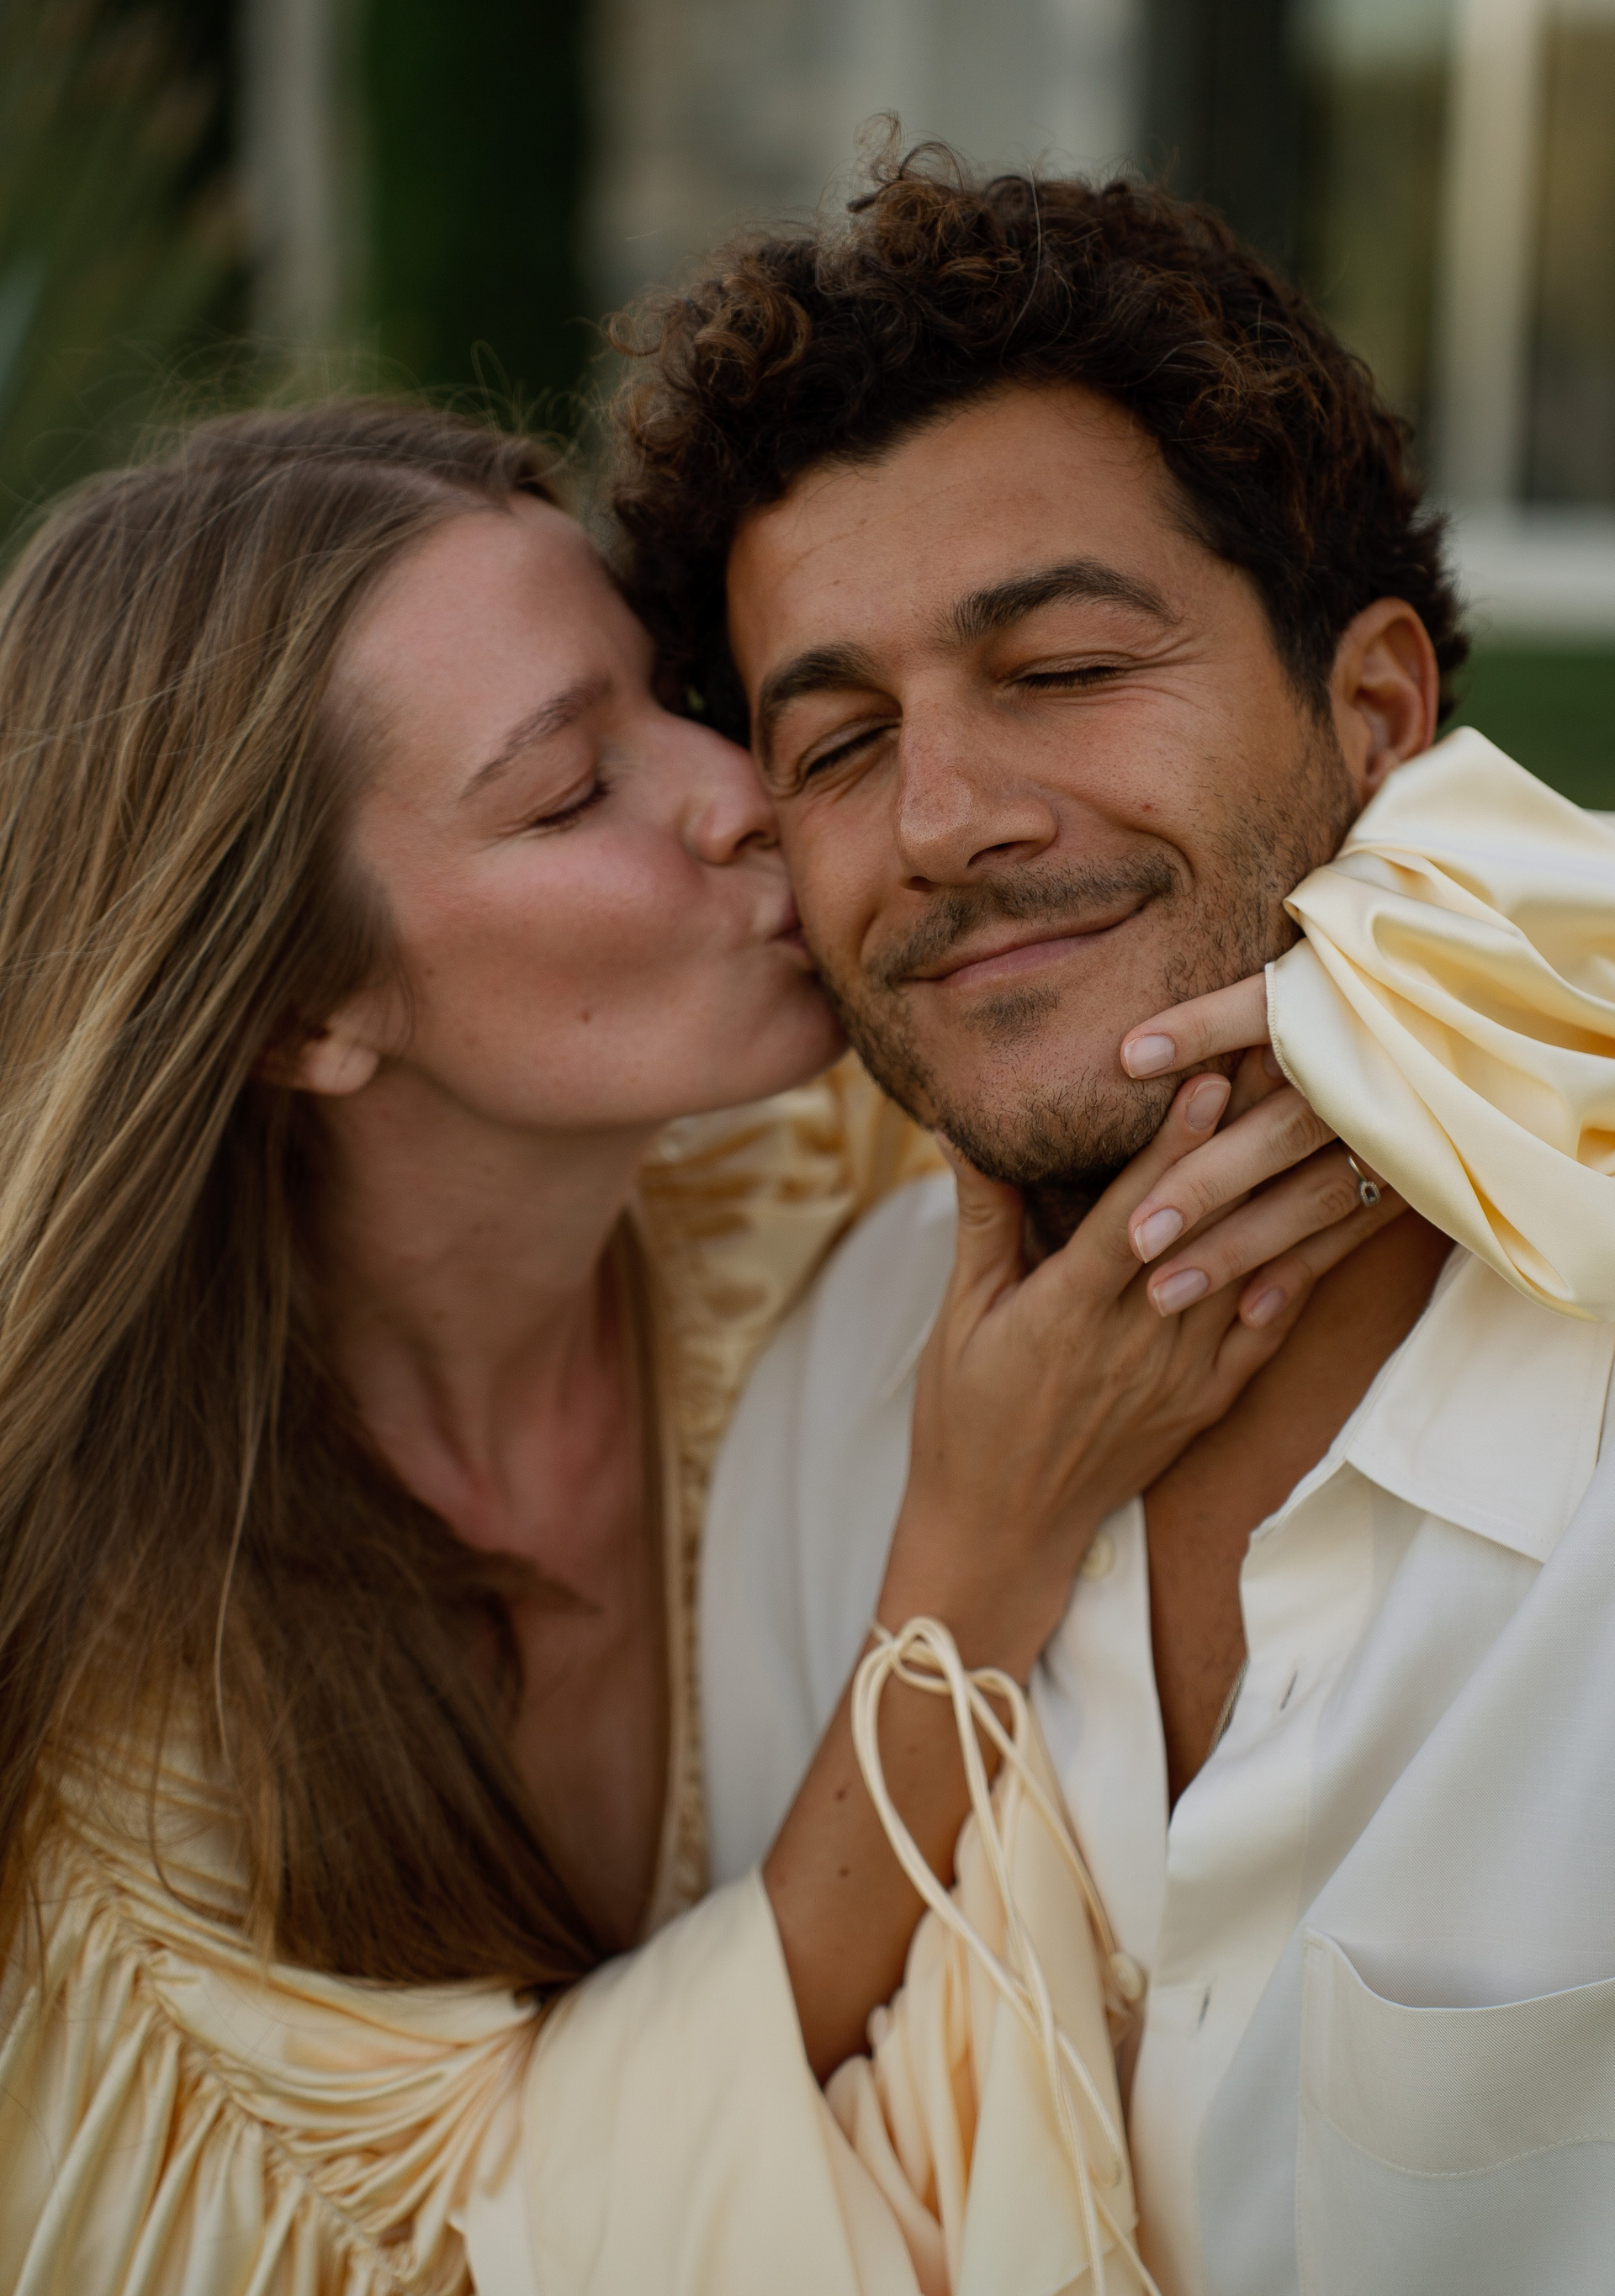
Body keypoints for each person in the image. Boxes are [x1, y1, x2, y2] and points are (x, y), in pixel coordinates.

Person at [0, 399, 1390, 2296]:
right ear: (303, 1009)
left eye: (675, 695)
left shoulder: (814, 1188)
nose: (743, 790)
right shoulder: (102, 1705)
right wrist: (972, 1559)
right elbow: (473, 2241)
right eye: (572, 790)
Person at [611, 149, 1615, 2296]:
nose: (944, 821)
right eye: (839, 744)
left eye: (1062, 667)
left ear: (1376, 716)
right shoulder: (814, 1410)